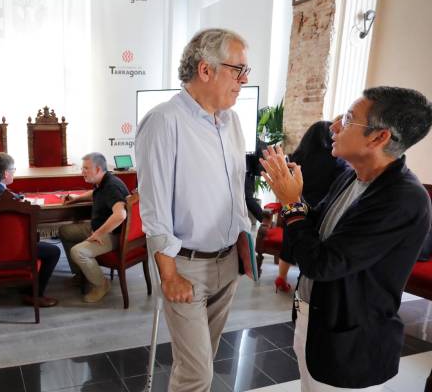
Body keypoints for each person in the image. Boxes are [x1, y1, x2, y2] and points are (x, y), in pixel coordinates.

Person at [259, 86, 432, 390]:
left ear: (379, 138)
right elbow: (319, 230)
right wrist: (296, 198)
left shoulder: (402, 199)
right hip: (315, 319)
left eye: (349, 119)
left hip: (351, 342)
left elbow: (323, 263)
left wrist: (292, 204)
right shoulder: (353, 175)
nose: (334, 126)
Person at [135, 28, 254, 391]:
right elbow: (154, 208)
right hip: (184, 267)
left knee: (200, 361)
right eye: (238, 70)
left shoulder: (230, 121)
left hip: (226, 262)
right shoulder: (164, 121)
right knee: (197, 373)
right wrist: (169, 275)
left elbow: (235, 188)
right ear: (206, 70)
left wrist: (243, 243)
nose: (243, 81)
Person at [0, 152, 60, 307]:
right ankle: (33, 294)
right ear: (6, 174)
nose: (14, 172)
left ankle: (27, 285)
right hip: (5, 251)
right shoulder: (6, 198)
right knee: (53, 251)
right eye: (13, 169)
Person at [273, 120, 348, 293]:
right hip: (320, 208)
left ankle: (281, 278)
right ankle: (305, 281)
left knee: (289, 241)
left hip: (294, 203)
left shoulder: (297, 157)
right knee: (311, 245)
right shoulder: (335, 161)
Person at [58, 153, 130, 303]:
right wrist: (75, 199)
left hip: (115, 234)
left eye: (86, 168)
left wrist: (98, 233)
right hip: (100, 228)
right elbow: (95, 194)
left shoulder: (112, 186)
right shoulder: (103, 182)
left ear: (98, 169)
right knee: (65, 231)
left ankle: (101, 284)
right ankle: (81, 274)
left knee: (78, 252)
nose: (82, 172)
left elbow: (120, 215)